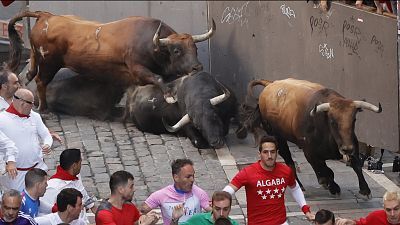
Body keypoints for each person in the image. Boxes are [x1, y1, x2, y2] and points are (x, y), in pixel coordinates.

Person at [222, 135, 314, 225]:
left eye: (272, 152)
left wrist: (306, 210)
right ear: (260, 154)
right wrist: (216, 203)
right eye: (265, 152)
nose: (269, 156)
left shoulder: (286, 171)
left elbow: (295, 188)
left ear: (277, 153)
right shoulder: (248, 172)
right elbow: (229, 190)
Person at [0, 88, 53, 192]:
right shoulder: (2, 120)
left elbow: (46, 135)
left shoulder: (35, 116)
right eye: (31, 103)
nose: (33, 106)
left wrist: (47, 144)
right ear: (22, 103)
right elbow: (6, 145)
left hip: (37, 170)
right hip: (15, 175)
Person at [0, 67, 62, 142]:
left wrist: (47, 134)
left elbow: (32, 118)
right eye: (15, 83)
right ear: (4, 86)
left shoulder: (19, 99)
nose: (19, 85)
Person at [141, 159, 211, 225]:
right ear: (176, 177)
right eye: (188, 177)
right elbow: (141, 211)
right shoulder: (161, 195)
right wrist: (148, 219)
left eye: (193, 175)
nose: (192, 179)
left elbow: (213, 211)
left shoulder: (199, 193)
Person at [40, 148, 96, 222]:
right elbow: (45, 213)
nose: (81, 165)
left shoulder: (76, 176)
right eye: (80, 162)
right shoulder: (53, 188)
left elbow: (84, 194)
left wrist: (93, 207)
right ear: (74, 166)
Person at [95, 170, 159, 225]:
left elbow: (137, 222)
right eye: (131, 187)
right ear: (121, 190)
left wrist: (148, 219)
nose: (134, 189)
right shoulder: (104, 213)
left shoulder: (129, 206)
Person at [171, 191, 239, 225]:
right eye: (217, 209)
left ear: (230, 209)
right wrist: (175, 219)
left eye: (225, 209)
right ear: (212, 206)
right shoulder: (197, 220)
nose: (221, 213)